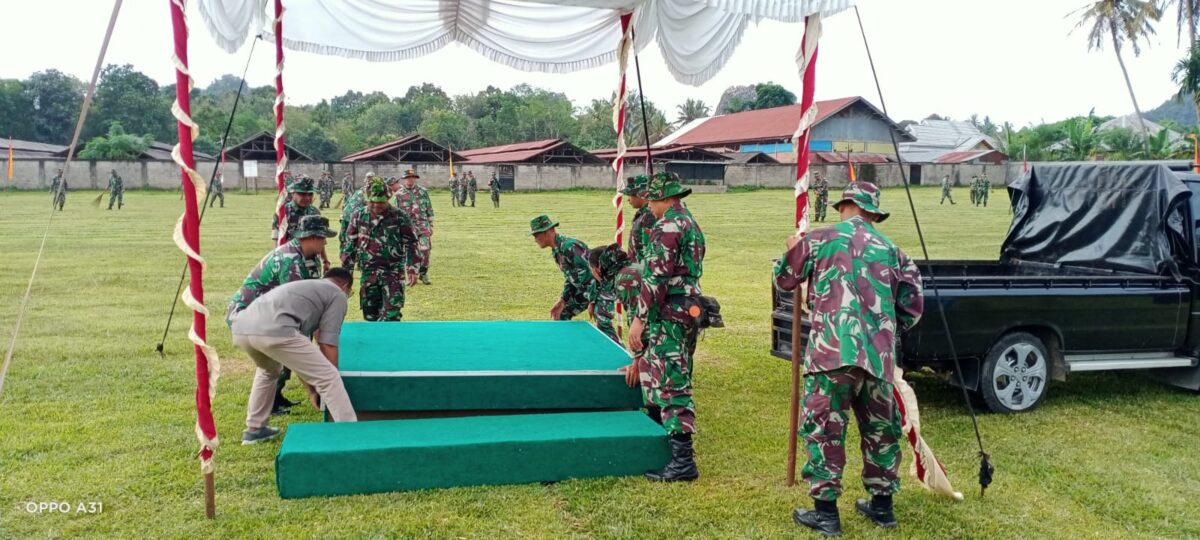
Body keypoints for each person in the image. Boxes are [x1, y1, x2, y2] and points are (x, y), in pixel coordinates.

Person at [773, 181, 924, 536]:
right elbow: (914, 308)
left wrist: (794, 250)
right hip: (878, 358)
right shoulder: (894, 251)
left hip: (832, 354)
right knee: (881, 433)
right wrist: (883, 331)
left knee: (825, 430)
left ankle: (826, 514)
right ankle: (882, 507)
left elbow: (784, 280)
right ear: (872, 213)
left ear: (844, 206)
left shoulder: (819, 239)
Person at [627, 172, 705, 482]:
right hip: (687, 311)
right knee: (669, 375)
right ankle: (663, 443)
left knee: (672, 384)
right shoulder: (690, 223)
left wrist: (639, 318)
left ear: (663, 199)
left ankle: (682, 463)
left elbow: (656, 277)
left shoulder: (668, 226)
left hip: (669, 314)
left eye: (652, 200)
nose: (650, 206)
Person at [232, 268, 358, 444]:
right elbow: (328, 342)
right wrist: (329, 375)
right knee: (329, 376)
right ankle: (350, 436)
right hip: (275, 330)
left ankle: (255, 430)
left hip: (241, 328)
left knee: (269, 371)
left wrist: (312, 390)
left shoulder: (310, 288)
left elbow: (300, 359)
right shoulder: (337, 294)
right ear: (345, 286)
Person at [227, 215, 334, 414]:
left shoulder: (302, 255)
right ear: (311, 237)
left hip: (263, 317)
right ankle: (268, 409)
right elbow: (294, 310)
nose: (325, 243)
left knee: (274, 367)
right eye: (322, 238)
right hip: (249, 319)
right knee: (278, 362)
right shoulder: (290, 261)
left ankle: (265, 412)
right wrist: (313, 388)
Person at [341, 177, 420, 321]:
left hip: (393, 274)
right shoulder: (359, 215)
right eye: (374, 202)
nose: (377, 205)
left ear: (388, 199)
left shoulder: (399, 216)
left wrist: (412, 269)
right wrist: (347, 274)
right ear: (368, 199)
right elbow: (350, 246)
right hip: (368, 274)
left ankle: (392, 343)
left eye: (381, 202)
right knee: (370, 316)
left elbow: (411, 243)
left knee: (391, 316)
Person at [529, 214, 596, 323]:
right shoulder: (557, 250)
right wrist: (563, 300)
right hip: (585, 291)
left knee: (603, 324)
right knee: (561, 313)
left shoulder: (569, 247)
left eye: (536, 235)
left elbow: (592, 276)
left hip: (599, 291)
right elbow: (571, 278)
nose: (535, 240)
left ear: (547, 231)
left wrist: (593, 302)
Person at [394, 169, 435, 285]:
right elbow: (396, 212)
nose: (410, 179)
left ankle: (423, 273)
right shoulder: (399, 194)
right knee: (409, 252)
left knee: (425, 249)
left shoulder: (423, 192)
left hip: (423, 225)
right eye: (408, 177)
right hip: (407, 227)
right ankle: (411, 275)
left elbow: (429, 208)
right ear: (404, 179)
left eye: (412, 177)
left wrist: (431, 224)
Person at [623, 175, 656, 263]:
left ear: (640, 195)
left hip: (643, 270)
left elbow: (649, 250)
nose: (628, 200)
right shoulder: (644, 214)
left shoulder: (650, 216)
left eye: (630, 195)